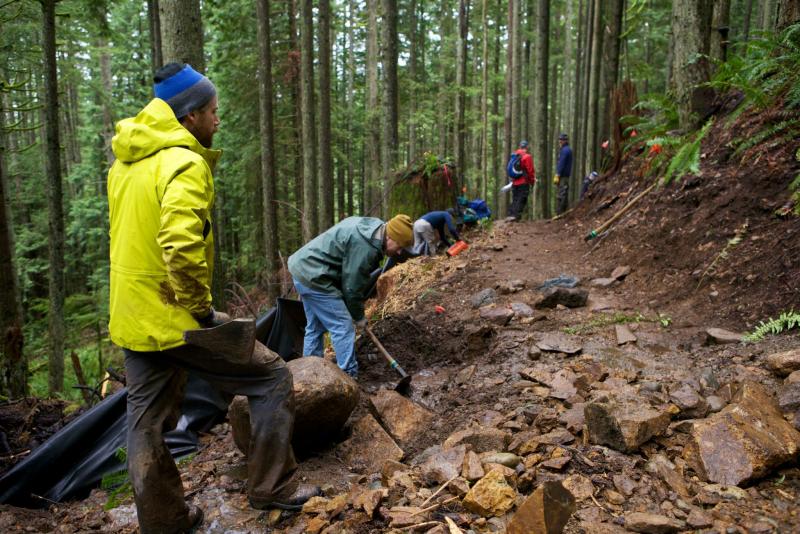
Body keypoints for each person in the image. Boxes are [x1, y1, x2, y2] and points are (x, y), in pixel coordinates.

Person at [108, 63, 318, 533]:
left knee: (144, 423)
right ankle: (273, 488)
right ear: (189, 116)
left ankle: (165, 523)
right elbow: (179, 246)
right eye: (213, 112)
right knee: (271, 377)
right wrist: (201, 310)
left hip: (132, 315)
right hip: (173, 315)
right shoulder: (184, 162)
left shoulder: (125, 164)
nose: (218, 121)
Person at [288, 215, 414, 378]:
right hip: (314, 276)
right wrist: (358, 316)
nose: (399, 252)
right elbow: (351, 287)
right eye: (399, 246)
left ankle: (308, 376)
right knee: (343, 326)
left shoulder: (374, 228)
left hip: (303, 269)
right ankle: (349, 377)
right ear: (389, 236)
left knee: (315, 328)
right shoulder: (365, 247)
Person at [507, 140, 536, 221]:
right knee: (522, 199)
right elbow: (530, 171)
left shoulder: (514, 155)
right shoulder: (527, 157)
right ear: (527, 147)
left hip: (514, 182)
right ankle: (516, 216)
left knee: (515, 198)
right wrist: (532, 181)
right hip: (523, 182)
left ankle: (511, 214)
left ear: (520, 146)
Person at [553, 133, 573, 215]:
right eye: (560, 140)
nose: (560, 141)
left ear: (566, 141)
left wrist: (557, 174)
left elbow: (562, 162)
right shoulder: (565, 149)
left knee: (562, 194)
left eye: (562, 140)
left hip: (563, 176)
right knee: (563, 193)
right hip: (563, 175)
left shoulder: (565, 150)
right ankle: (563, 212)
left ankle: (560, 212)